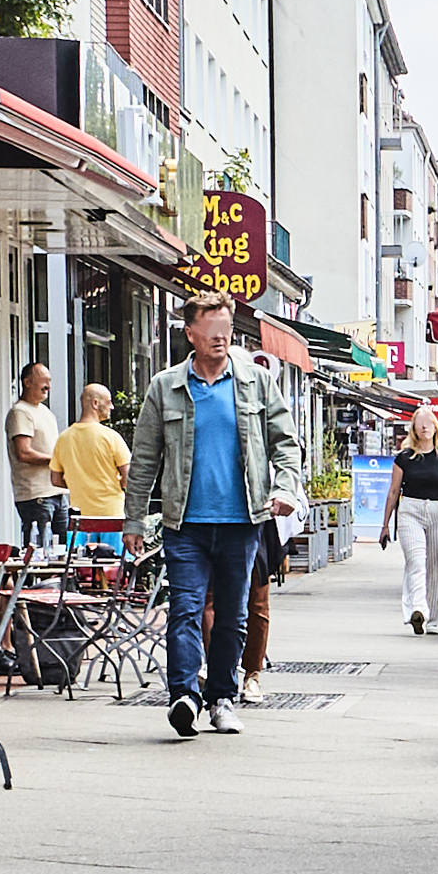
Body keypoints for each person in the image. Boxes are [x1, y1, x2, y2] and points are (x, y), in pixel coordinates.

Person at [125, 291, 304, 739]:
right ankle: (184, 695)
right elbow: (144, 458)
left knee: (232, 613)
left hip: (243, 519)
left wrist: (285, 490)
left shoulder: (256, 382)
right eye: (212, 334)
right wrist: (132, 521)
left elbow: (285, 443)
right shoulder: (165, 387)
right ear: (191, 335)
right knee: (184, 608)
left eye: (226, 332)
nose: (221, 341)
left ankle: (222, 698)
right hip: (184, 523)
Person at [378, 407, 438, 635]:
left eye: (428, 422)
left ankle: (434, 619)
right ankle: (418, 609)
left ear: (436, 426)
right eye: (419, 422)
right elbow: (394, 492)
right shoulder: (404, 458)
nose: (424, 426)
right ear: (413, 428)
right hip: (410, 509)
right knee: (416, 561)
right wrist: (385, 525)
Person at [51, 383, 132, 541]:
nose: (112, 407)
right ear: (95, 403)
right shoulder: (111, 437)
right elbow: (129, 479)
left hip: (80, 520)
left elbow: (55, 479)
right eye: (108, 401)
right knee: (114, 564)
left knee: (80, 564)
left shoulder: (64, 438)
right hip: (112, 517)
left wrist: (80, 483)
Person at [6, 361, 66, 548]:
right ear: (27, 382)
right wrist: (57, 460)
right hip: (36, 496)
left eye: (49, 381)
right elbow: (23, 453)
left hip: (57, 492)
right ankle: (30, 579)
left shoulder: (46, 412)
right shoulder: (20, 412)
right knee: (39, 553)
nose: (48, 386)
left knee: (62, 551)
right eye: (43, 380)